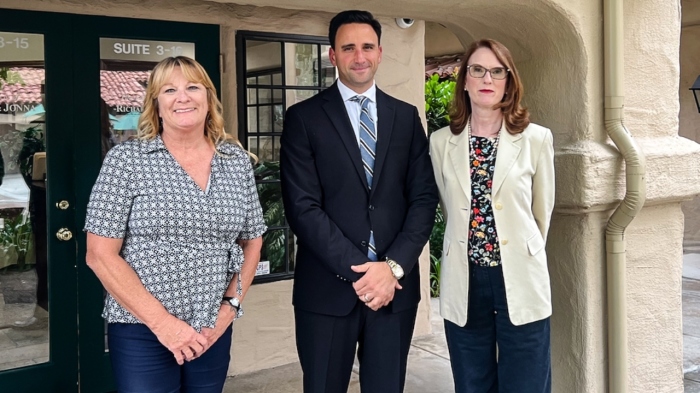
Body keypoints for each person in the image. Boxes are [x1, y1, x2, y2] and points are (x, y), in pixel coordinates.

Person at [84, 56, 266, 393]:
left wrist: (230, 307)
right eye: (169, 89)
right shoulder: (127, 161)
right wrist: (164, 324)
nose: (182, 97)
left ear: (208, 97)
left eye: (192, 87)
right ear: (156, 103)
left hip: (211, 327)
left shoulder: (235, 161)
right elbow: (99, 255)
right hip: (142, 327)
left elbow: (252, 240)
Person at [280, 10, 439, 393]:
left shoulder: (405, 117)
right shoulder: (303, 118)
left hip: (394, 292)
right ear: (333, 55)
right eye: (348, 48)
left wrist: (392, 268)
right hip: (328, 291)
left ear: (380, 53)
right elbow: (302, 208)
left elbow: (423, 198)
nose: (359, 56)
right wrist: (363, 274)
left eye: (367, 47)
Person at [429, 38, 555, 393]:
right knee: (472, 383)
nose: (488, 78)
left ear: (509, 81)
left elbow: (540, 215)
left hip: (519, 275)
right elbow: (445, 204)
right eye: (478, 70)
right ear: (464, 80)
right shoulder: (440, 143)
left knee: (527, 382)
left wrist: (519, 255)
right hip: (465, 279)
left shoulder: (536, 139)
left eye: (497, 71)